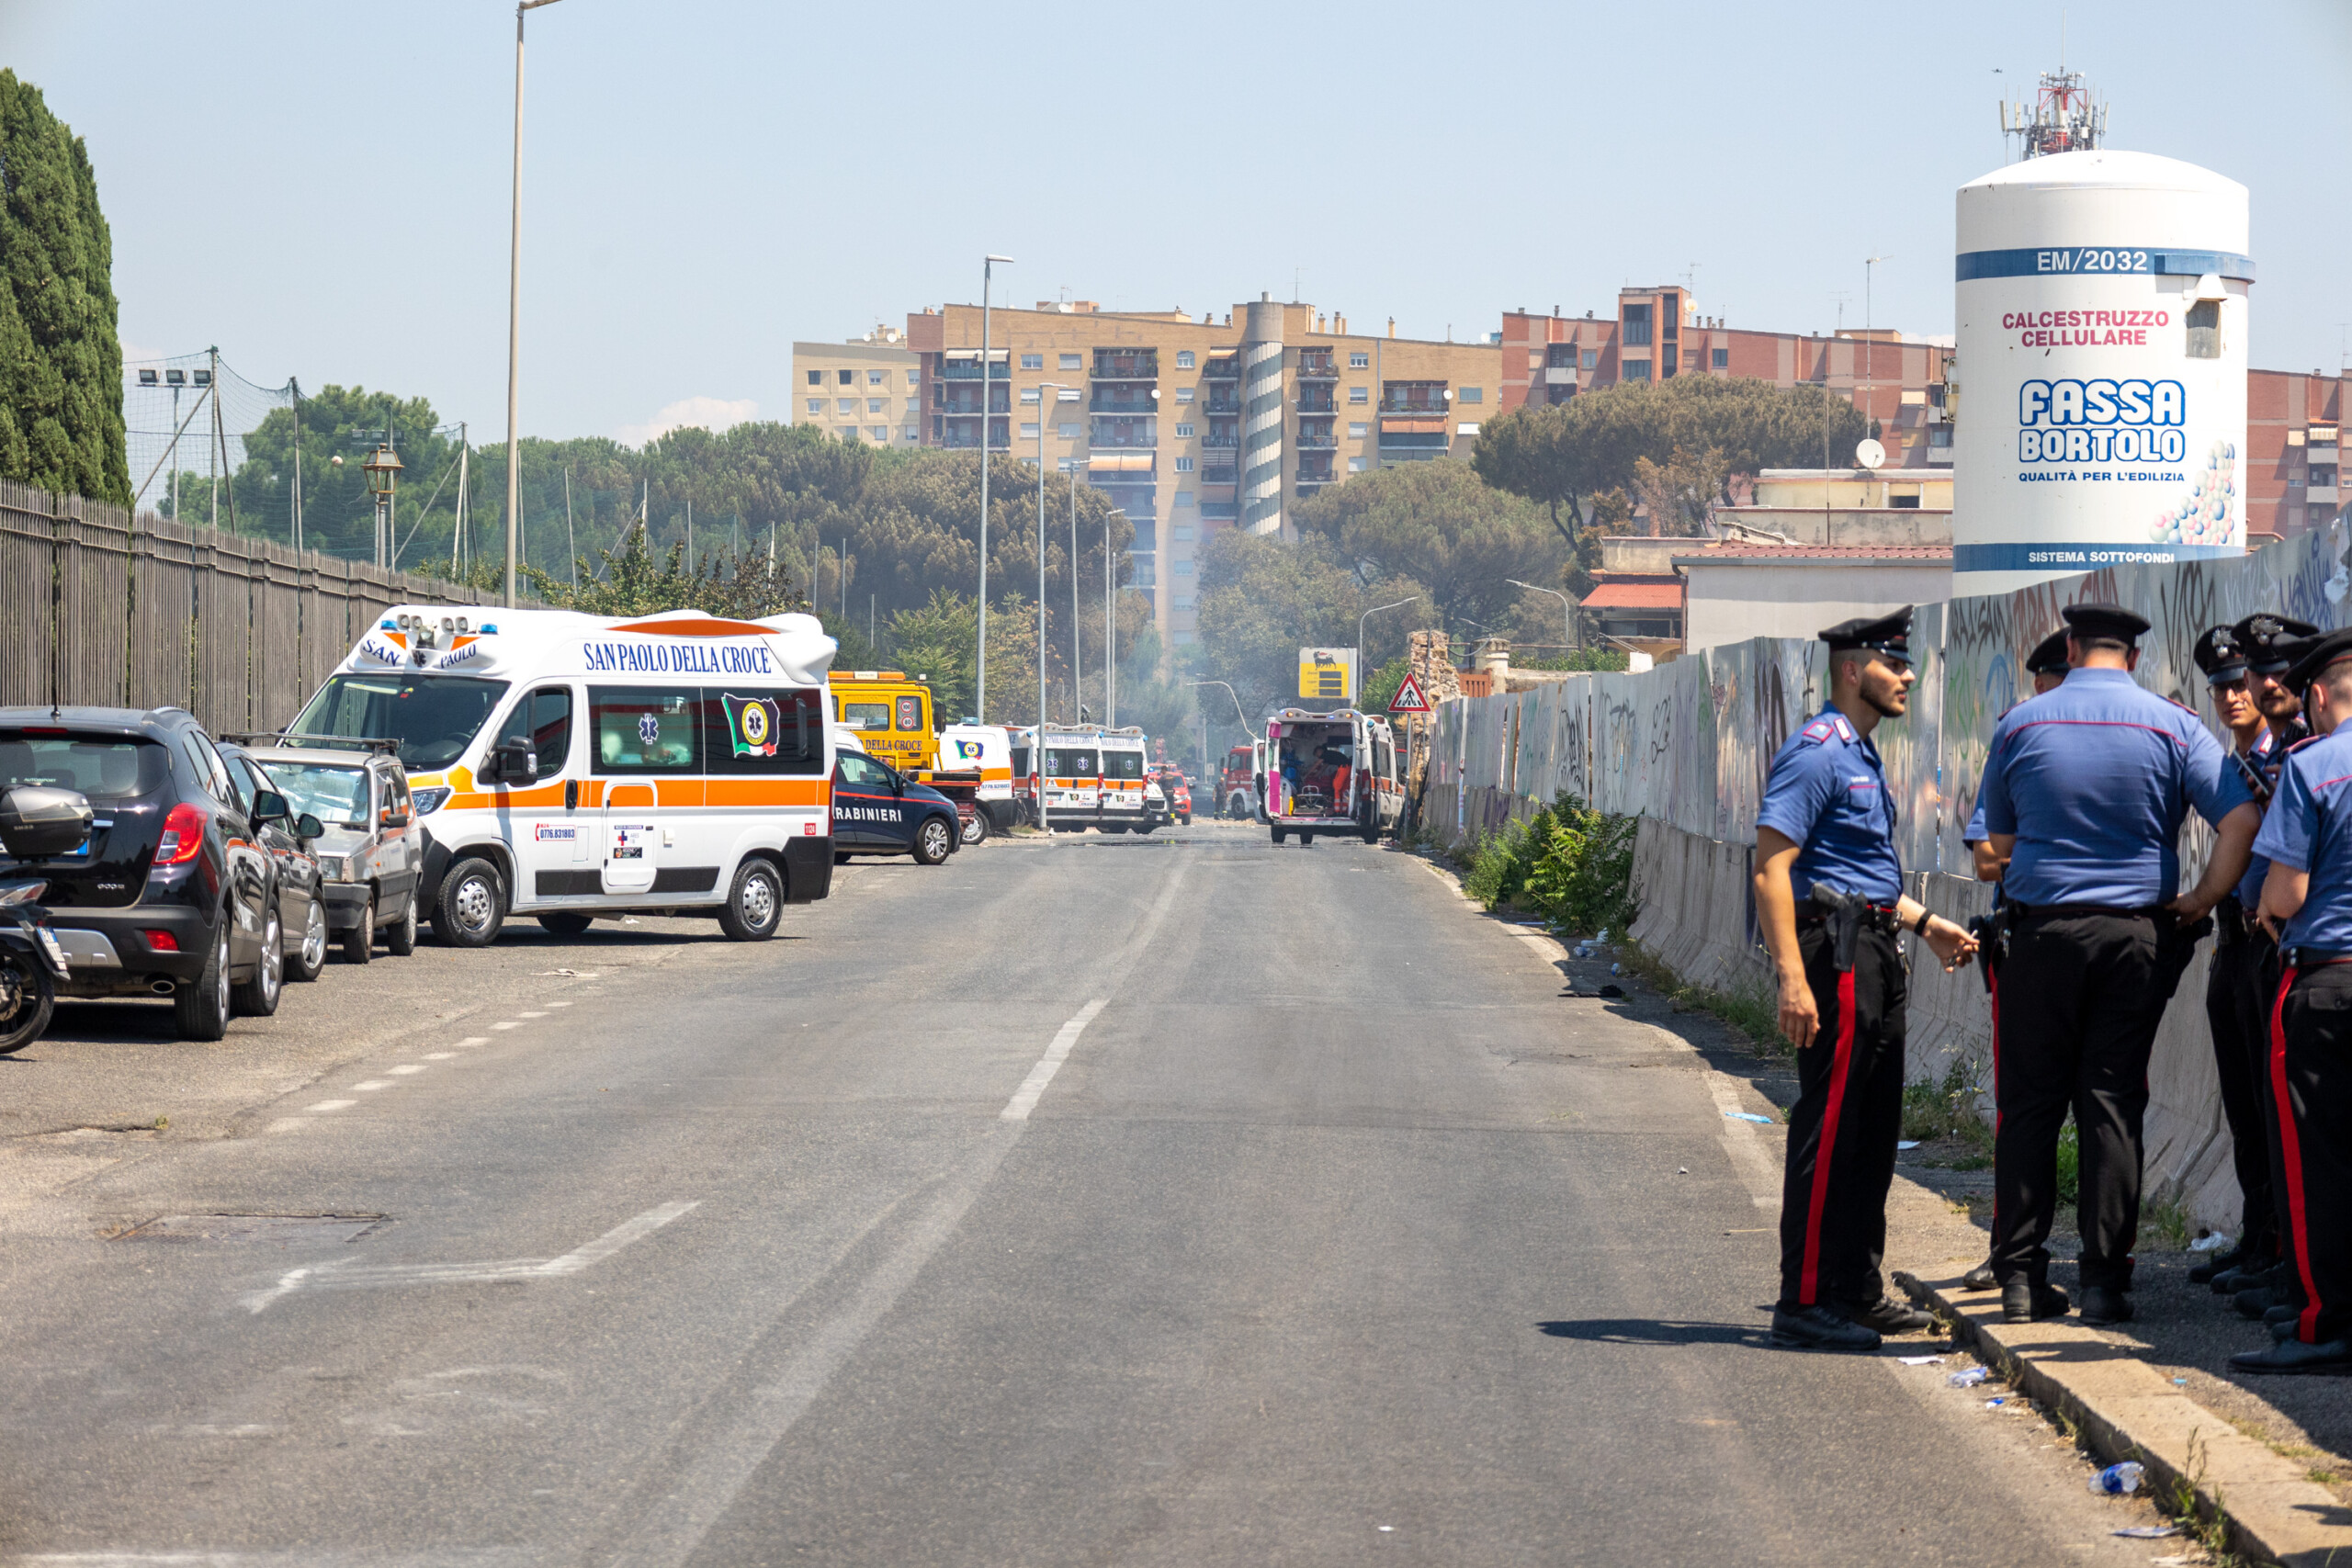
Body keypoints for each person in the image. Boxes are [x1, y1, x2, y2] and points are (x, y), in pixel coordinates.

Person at [1975, 603, 2259, 1327]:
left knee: (2030, 1105)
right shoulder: (2171, 726)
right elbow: (2240, 820)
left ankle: (2018, 1277)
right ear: (2132, 656)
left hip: (2040, 936)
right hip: (2136, 937)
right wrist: (2201, 898)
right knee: (2111, 1103)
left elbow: (1989, 852)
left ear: (2070, 648)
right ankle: (2104, 1282)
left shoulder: (2022, 724)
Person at [1754, 607, 1978, 1351]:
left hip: (1879, 946)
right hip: (1837, 955)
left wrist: (1924, 922)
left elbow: (1859, 873)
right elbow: (1773, 867)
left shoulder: (1862, 751)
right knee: (1831, 1124)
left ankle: (1855, 1286)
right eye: (1894, 662)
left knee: (1875, 1128)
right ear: (1854, 670)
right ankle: (1806, 1297)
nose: (1908, 675)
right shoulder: (1818, 751)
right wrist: (1792, 976)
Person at [2236, 626, 2352, 1374]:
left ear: (2313, 694)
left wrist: (2269, 913)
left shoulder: (2313, 765)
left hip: (2328, 982)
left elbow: (2287, 890)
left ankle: (2326, 1323)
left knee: (2321, 1162)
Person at [1958, 626, 2074, 1293]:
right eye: (2053, 683)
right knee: (2021, 1106)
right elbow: (1983, 857)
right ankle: (2011, 1248)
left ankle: (2101, 1263)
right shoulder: (2017, 737)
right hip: (2024, 935)